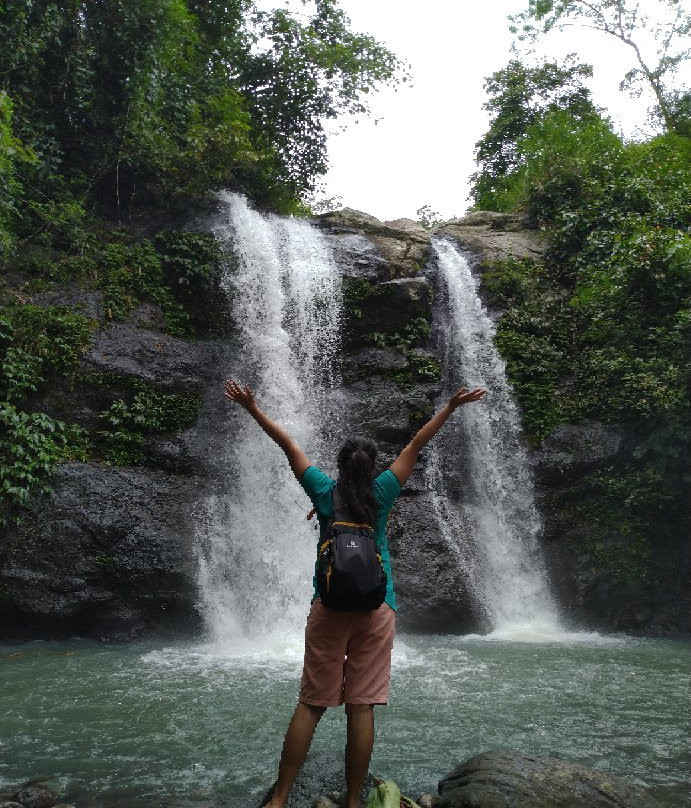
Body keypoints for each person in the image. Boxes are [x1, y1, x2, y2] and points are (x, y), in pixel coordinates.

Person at [223, 379, 487, 808]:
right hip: (378, 608)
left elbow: (287, 444)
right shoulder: (384, 491)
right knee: (360, 708)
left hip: (328, 606)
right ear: (372, 468)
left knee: (311, 704)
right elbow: (418, 444)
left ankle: (279, 799)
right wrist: (452, 406)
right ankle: (351, 802)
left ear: (341, 466)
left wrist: (252, 407)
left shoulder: (325, 493)